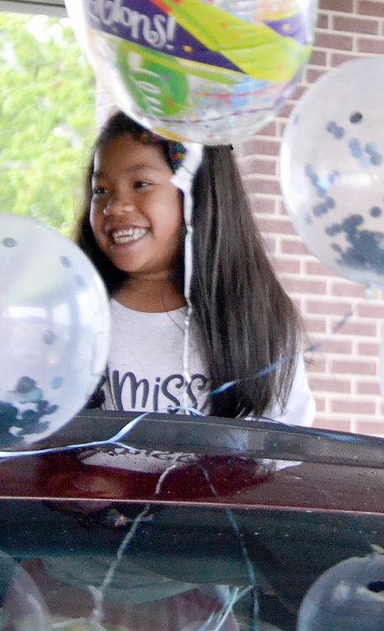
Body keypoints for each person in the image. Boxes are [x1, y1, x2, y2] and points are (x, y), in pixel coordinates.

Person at [72, 110, 315, 426]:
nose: (114, 206)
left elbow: (283, 448)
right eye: (101, 190)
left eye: (141, 184)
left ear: (198, 193)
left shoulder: (259, 321)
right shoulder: (75, 312)